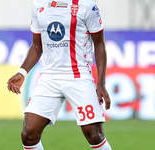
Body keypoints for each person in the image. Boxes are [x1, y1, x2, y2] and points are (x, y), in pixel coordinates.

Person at [7, 0, 112, 149]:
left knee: (94, 135)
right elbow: (37, 46)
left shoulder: (87, 6)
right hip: (49, 77)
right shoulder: (39, 5)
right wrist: (22, 72)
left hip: (79, 76)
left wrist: (101, 83)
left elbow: (100, 44)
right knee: (29, 134)